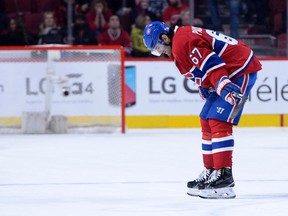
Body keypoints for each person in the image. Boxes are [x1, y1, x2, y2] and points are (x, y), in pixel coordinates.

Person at [143, 21, 262, 199]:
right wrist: (205, 85)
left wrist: (222, 84)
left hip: (240, 69)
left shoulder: (183, 41)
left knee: (219, 120)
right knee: (206, 119)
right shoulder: (178, 43)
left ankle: (224, 177)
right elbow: (201, 70)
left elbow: (212, 64)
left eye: (158, 48)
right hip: (229, 72)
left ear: (164, 38)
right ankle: (212, 171)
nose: (160, 53)